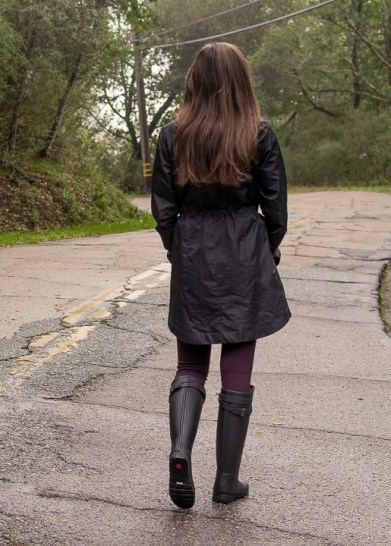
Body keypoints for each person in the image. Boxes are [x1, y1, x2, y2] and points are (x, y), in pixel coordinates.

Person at [150, 42, 290, 509]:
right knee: (238, 364)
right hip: (244, 250)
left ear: (195, 79)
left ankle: (179, 452)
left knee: (190, 365)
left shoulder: (173, 134)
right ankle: (226, 482)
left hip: (193, 251)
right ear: (241, 80)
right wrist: (265, 251)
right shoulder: (259, 133)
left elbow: (164, 208)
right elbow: (276, 206)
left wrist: (180, 252)